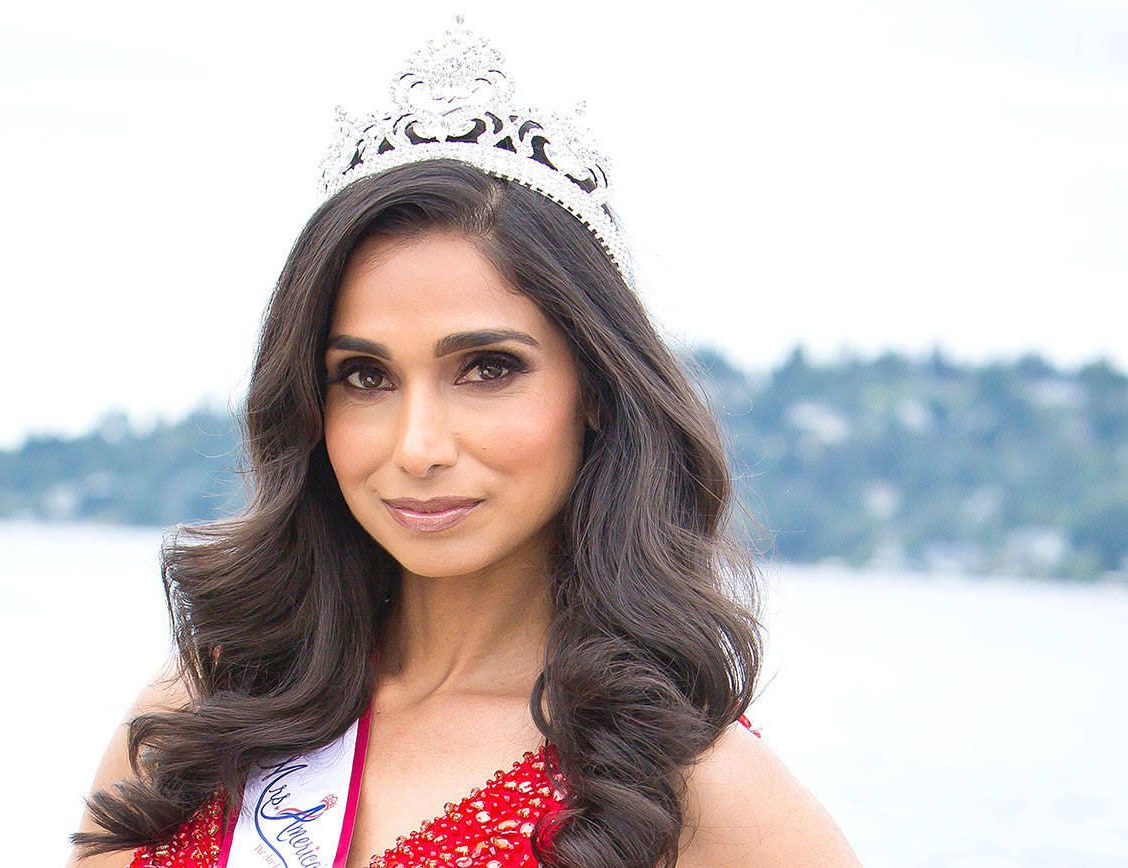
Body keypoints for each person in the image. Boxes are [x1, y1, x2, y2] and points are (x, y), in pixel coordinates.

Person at [68, 19, 861, 868]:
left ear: (594, 387)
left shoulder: (703, 799)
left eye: (487, 368)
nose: (418, 446)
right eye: (365, 377)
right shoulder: (203, 718)